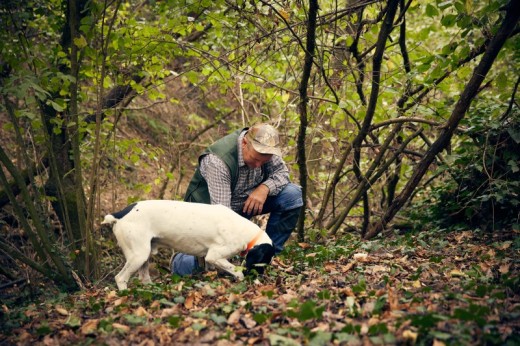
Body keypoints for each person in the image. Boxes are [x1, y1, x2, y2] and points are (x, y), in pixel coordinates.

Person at [171, 123, 303, 275]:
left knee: (292, 195)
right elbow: (222, 219)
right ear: (245, 143)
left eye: (264, 161)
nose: (259, 165)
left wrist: (264, 188)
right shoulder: (218, 161)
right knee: (204, 266)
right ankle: (180, 262)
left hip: (241, 209)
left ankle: (267, 257)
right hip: (208, 222)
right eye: (255, 159)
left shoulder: (265, 150)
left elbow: (282, 174)